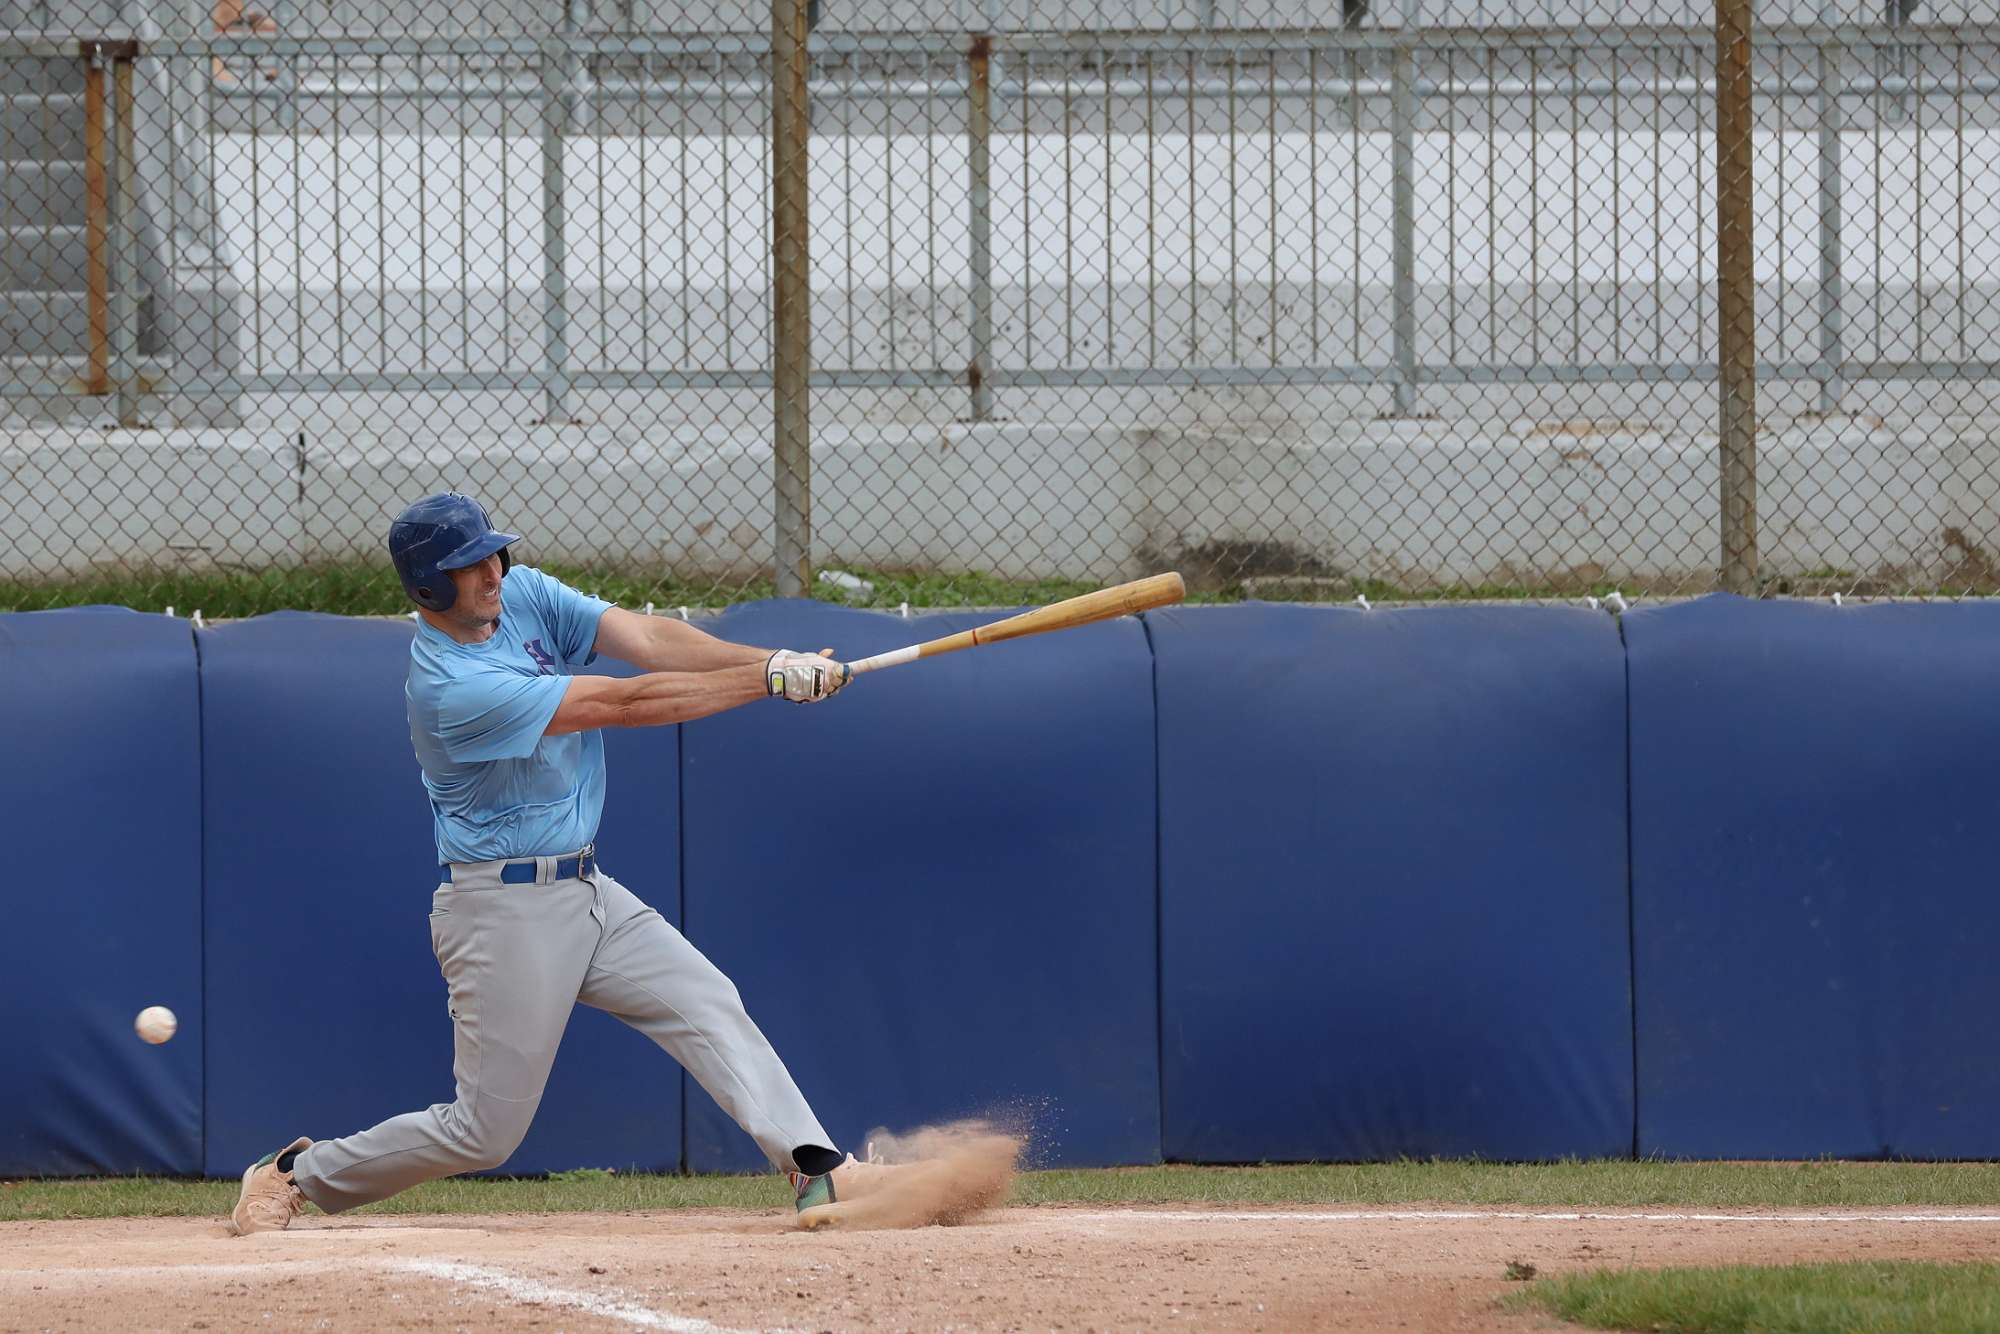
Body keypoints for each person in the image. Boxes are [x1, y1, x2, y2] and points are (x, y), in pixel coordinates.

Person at [227, 491, 887, 1234]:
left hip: (587, 888)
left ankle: (817, 1168)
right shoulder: (450, 689)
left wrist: (771, 661)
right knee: (483, 1132)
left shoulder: (524, 595)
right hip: (502, 911)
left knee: (706, 999)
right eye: (468, 567)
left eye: (492, 556)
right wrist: (763, 682)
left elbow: (649, 639)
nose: (492, 574)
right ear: (429, 587)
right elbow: (625, 704)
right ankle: (296, 1174)